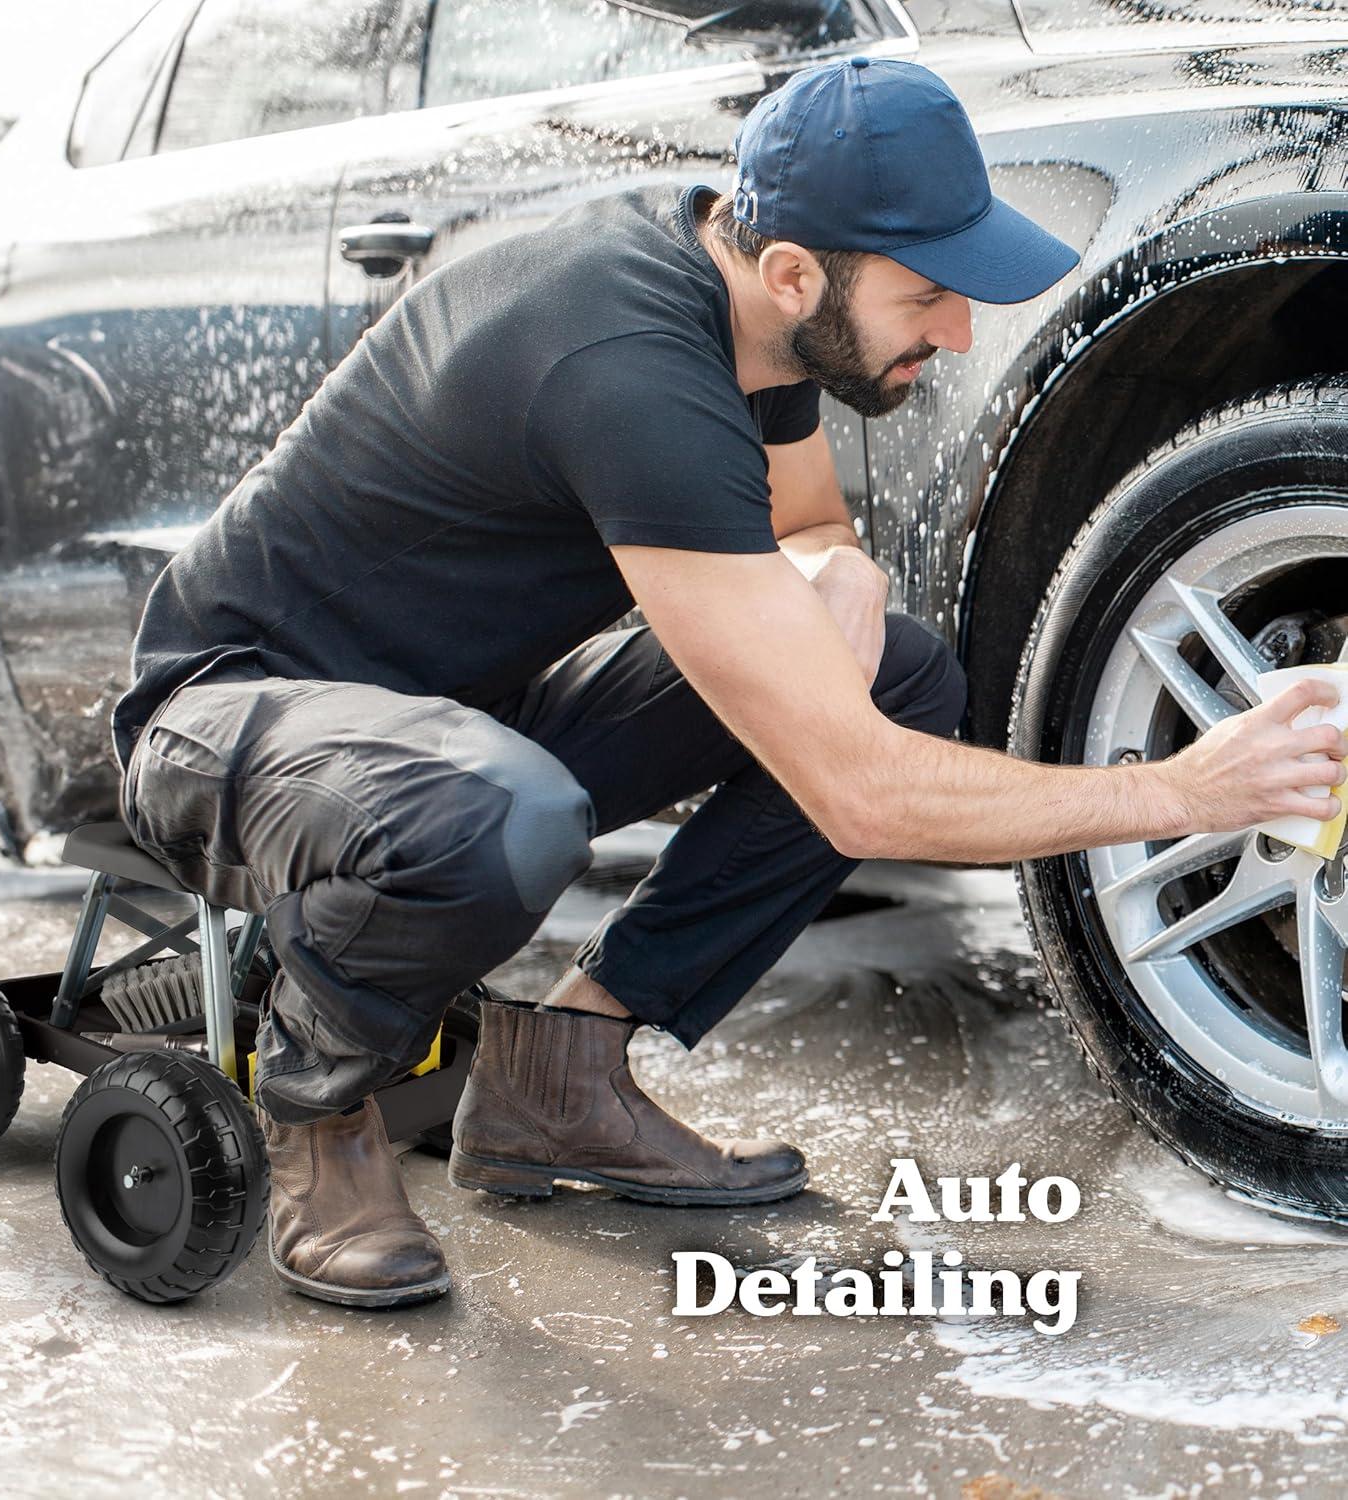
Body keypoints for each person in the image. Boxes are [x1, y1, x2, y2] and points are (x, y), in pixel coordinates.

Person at [111, 57, 1345, 1310]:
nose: (960, 329)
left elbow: (809, 520)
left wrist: (844, 575)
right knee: (503, 810)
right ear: (798, 274)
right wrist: (1188, 790)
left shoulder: (757, 304)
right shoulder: (628, 367)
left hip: (450, 726)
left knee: (903, 676)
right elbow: (864, 805)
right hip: (228, 719)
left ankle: (563, 1073)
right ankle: (321, 1112)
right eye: (930, 295)